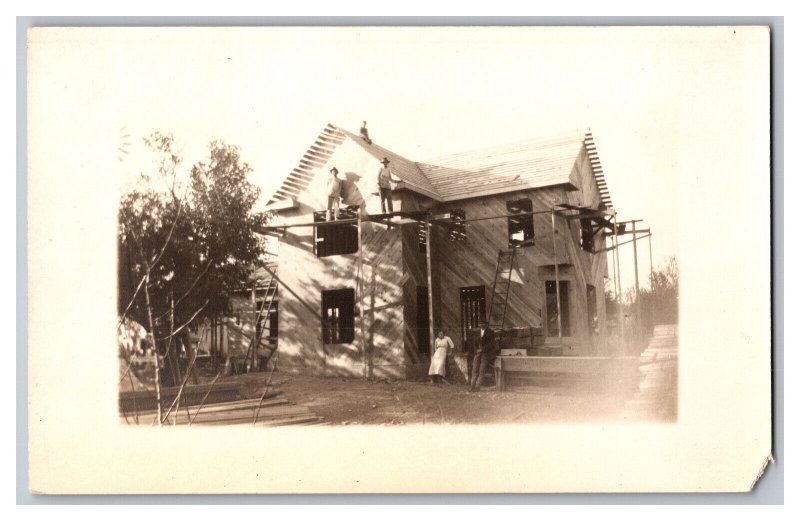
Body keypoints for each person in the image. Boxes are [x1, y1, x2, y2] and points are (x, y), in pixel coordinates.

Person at [469, 320, 497, 392]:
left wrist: (483, 350)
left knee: (482, 371)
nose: (481, 325)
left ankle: (477, 388)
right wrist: (476, 350)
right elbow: (474, 342)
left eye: (483, 323)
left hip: (486, 354)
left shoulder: (490, 332)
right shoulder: (477, 332)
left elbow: (491, 344)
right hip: (478, 354)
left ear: (486, 324)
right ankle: (472, 387)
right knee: (475, 370)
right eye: (480, 323)